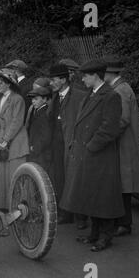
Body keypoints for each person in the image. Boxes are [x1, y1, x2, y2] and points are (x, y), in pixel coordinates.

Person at [60, 60, 124, 252]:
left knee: (103, 198)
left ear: (95, 76)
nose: (82, 79)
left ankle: (106, 236)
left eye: (85, 76)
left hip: (100, 156)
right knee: (92, 196)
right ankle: (94, 233)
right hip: (89, 155)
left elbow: (110, 128)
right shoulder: (91, 94)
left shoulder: (111, 96)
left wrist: (90, 147)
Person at [104, 57, 139, 237]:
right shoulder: (121, 87)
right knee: (122, 184)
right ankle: (122, 222)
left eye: (104, 72)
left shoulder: (120, 90)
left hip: (123, 145)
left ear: (110, 73)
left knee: (123, 185)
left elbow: (122, 120)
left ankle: (124, 224)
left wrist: (106, 136)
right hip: (125, 143)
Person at [0, 68, 30, 236]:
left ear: (8, 84)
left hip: (16, 146)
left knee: (15, 183)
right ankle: (4, 218)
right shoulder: (1, 100)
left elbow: (17, 122)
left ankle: (21, 217)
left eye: (0, 83)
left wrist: (4, 140)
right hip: (3, 146)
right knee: (2, 183)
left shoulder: (18, 99)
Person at [48, 64, 88, 227]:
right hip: (57, 144)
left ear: (63, 80)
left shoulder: (80, 96)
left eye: (53, 80)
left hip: (71, 144)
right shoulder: (55, 96)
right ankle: (66, 213)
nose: (51, 83)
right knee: (60, 178)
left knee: (76, 179)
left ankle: (81, 217)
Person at [26, 86, 53, 172]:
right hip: (38, 153)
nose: (33, 101)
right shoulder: (38, 112)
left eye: (36, 99)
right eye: (32, 99)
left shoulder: (44, 114)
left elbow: (46, 136)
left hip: (42, 154)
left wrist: (35, 148)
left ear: (44, 99)